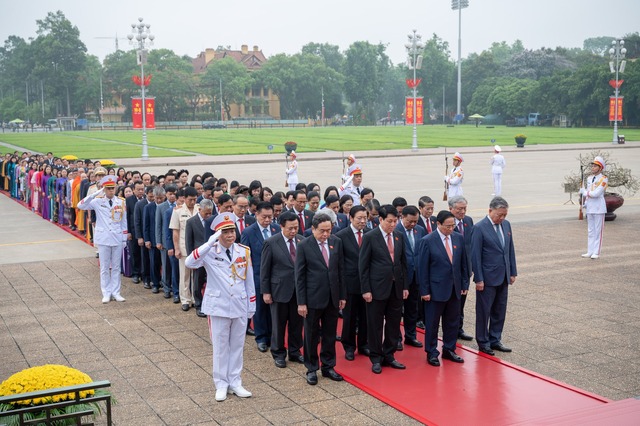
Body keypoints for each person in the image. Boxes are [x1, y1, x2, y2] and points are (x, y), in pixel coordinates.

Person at [185, 212, 255, 402]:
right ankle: (221, 383)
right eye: (225, 232)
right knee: (221, 346)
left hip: (239, 304)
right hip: (219, 306)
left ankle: (235, 382)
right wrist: (209, 243)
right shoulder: (210, 251)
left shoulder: (243, 251)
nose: (230, 235)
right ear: (217, 234)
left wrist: (251, 305)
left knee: (237, 346)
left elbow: (249, 280)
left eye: (232, 230)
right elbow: (189, 262)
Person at [295, 212, 346, 385]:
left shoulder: (336, 242)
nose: (325, 235)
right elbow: (299, 276)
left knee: (330, 333)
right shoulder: (304, 245)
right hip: (312, 298)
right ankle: (311, 368)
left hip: (332, 297)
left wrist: (342, 296)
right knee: (311, 334)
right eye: (322, 231)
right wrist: (301, 302)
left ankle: (328, 365)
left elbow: (340, 271)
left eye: (328, 230)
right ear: (313, 229)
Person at [359, 204, 408, 374]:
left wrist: (405, 286)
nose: (393, 224)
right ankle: (376, 357)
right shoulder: (370, 237)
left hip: (396, 288)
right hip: (376, 288)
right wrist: (365, 289)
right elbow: (363, 266)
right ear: (380, 219)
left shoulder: (399, 236)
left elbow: (403, 263)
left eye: (395, 221)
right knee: (375, 325)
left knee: (394, 324)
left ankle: (389, 355)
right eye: (390, 221)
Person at [417, 210, 468, 367]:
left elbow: (463, 264)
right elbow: (422, 268)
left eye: (453, 225)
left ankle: (449, 349)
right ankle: (432, 352)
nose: (451, 229)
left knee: (452, 321)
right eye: (447, 226)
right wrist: (424, 291)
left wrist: (464, 284)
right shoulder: (427, 241)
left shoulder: (458, 238)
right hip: (435, 290)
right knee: (432, 323)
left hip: (454, 289)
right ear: (438, 224)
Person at [472, 196, 518, 356]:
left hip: (503, 276)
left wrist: (512, 271)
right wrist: (478, 278)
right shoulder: (479, 228)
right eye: (499, 215)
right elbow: (475, 256)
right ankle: (483, 341)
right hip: (487, 278)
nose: (502, 218)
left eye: (504, 215)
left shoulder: (506, 225)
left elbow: (509, 249)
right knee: (484, 311)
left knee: (500, 310)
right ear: (490, 210)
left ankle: (495, 339)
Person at [260, 211, 304, 368]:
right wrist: (266, 291)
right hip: (279, 290)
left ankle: (295, 351)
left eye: (296, 228)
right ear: (281, 226)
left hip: (298, 291)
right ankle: (278, 353)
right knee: (278, 324)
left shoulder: (301, 240)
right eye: (290, 228)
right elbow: (265, 269)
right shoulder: (271, 242)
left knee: (297, 323)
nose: (293, 231)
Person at [77, 176, 127, 303]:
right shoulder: (97, 201)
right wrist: (95, 194)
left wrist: (124, 238)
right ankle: (106, 292)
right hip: (103, 237)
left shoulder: (120, 202)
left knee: (116, 267)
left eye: (112, 188)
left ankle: (116, 292)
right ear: (104, 189)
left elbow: (123, 221)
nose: (111, 191)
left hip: (116, 237)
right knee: (104, 267)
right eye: (108, 189)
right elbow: (80, 205)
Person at [240, 201, 281, 352]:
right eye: (264, 217)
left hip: (276, 276)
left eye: (270, 217)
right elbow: (245, 256)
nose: (267, 220)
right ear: (256, 214)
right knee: (260, 309)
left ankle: (273, 336)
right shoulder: (248, 232)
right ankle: (261, 337)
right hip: (257, 275)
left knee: (274, 309)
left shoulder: (277, 229)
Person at [336, 205, 370, 360]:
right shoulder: (341, 236)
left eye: (365, 218)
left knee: (366, 317)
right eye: (359, 218)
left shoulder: (370, 234)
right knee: (349, 318)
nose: (362, 221)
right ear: (351, 218)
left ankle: (364, 344)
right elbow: (339, 263)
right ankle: (349, 346)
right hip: (350, 283)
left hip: (368, 284)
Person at [396, 205, 425, 350]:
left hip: (415, 276)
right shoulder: (395, 230)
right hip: (400, 277)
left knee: (412, 308)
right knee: (395, 309)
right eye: (410, 221)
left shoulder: (420, 230)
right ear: (402, 217)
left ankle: (411, 335)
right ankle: (396, 338)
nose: (413, 224)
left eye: (415, 221)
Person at [170, 186, 200, 311]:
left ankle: (195, 298)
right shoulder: (177, 211)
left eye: (194, 199)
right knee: (185, 275)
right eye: (190, 200)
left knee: (196, 275)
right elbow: (175, 232)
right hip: (183, 247)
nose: (192, 202)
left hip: (197, 248)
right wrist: (176, 248)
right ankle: (185, 299)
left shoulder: (199, 209)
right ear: (184, 198)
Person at [449, 195, 474, 341]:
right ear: (451, 209)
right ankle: (450, 328)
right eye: (459, 209)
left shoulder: (468, 221)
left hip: (465, 269)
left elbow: (471, 245)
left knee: (462, 300)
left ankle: (459, 328)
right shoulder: (446, 222)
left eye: (464, 208)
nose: (462, 212)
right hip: (451, 269)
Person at [185, 199, 215, 317]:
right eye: (206, 213)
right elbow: (189, 241)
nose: (208, 215)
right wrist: (191, 258)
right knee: (198, 280)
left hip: (211, 256)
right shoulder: (191, 222)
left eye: (210, 213)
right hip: (198, 256)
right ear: (199, 210)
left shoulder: (213, 221)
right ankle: (198, 304)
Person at [580, 156, 608, 259]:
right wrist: (585, 202)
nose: (593, 167)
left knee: (598, 231)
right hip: (590, 207)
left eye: (595, 166)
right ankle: (590, 251)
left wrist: (585, 192)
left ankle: (596, 252)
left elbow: (596, 193)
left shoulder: (603, 179)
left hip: (599, 207)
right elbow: (588, 192)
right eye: (593, 165)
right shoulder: (589, 178)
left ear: (600, 168)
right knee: (590, 230)